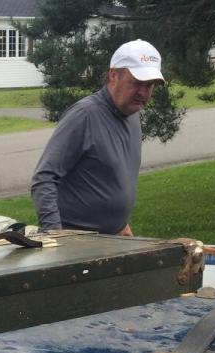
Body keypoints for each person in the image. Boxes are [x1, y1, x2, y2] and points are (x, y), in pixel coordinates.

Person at [30, 39, 165, 236]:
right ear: (113, 75)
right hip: (77, 242)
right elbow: (44, 178)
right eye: (136, 83)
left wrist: (120, 223)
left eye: (150, 85)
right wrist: (54, 236)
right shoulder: (85, 115)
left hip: (114, 237)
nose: (143, 93)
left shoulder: (133, 113)